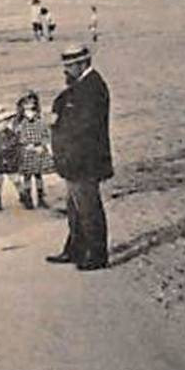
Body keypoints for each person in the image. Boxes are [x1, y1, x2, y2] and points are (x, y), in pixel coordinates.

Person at [49, 45, 113, 271]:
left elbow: (84, 125)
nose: (66, 70)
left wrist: (58, 123)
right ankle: (75, 249)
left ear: (82, 63)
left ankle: (97, 254)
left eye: (69, 66)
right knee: (75, 208)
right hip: (76, 158)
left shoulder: (93, 87)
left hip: (86, 159)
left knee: (88, 208)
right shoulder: (82, 86)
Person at [13, 90, 55, 208]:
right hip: (26, 150)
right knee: (27, 176)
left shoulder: (40, 119)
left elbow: (46, 133)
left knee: (38, 175)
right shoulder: (19, 122)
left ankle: (41, 198)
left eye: (32, 103)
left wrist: (42, 145)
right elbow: (17, 137)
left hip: (39, 149)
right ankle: (28, 199)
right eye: (26, 103)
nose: (29, 105)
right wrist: (27, 145)